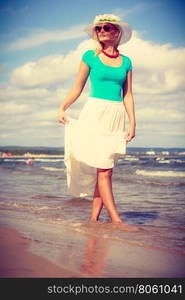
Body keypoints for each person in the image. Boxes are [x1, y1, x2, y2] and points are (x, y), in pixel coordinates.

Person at [58, 14, 136, 225]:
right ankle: (116, 220)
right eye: (98, 28)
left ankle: (93, 219)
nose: (101, 31)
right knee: (104, 170)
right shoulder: (89, 56)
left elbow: (128, 95)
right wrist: (63, 107)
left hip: (115, 115)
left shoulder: (126, 61)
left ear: (116, 32)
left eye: (106, 27)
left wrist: (132, 123)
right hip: (94, 114)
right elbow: (78, 87)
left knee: (105, 168)